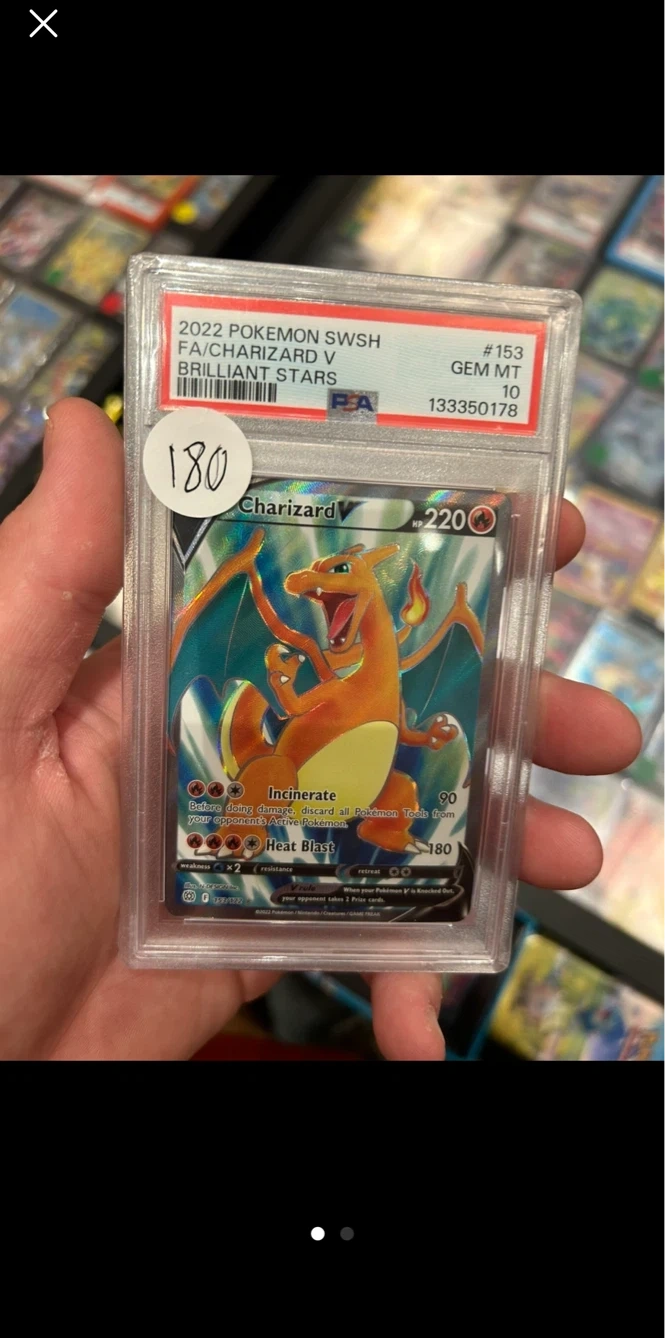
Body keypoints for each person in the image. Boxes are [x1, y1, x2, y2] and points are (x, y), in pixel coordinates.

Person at [0, 400, 642, 1061]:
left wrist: (420, 739)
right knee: (271, 773)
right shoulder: (337, 680)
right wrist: (274, 661)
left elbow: (390, 723)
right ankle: (247, 822)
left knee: (400, 793)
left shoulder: (379, 673)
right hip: (288, 775)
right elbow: (293, 700)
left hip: (358, 785)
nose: (315, 586)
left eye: (333, 578)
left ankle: (381, 831)